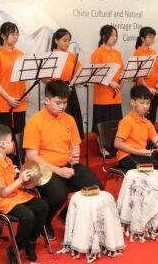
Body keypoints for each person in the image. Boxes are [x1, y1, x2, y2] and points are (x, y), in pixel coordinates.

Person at [23, 80, 103, 239]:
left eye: (65, 103)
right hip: (43, 168)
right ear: (46, 100)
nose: (62, 107)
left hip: (67, 164)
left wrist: (74, 154)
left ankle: (66, 214)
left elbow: (75, 145)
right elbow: (32, 156)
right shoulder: (35, 122)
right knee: (58, 196)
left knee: (96, 187)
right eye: (58, 103)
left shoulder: (69, 119)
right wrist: (58, 171)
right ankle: (45, 222)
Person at [0, 123, 49, 264]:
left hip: (16, 196)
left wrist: (22, 178)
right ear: (2, 144)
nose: (13, 143)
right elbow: (3, 193)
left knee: (42, 206)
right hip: (2, 202)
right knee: (28, 216)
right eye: (10, 140)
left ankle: (30, 242)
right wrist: (20, 180)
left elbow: (13, 184)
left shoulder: (7, 160)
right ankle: (15, 249)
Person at [0, 22, 27, 148]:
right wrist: (8, 98)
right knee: (5, 138)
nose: (15, 37)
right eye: (12, 34)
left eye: (17, 34)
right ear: (3, 36)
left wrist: (26, 91)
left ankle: (20, 159)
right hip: (4, 102)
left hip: (20, 101)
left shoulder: (20, 54)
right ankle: (8, 160)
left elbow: (25, 75)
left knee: (20, 135)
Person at [46, 28, 83, 138]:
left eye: (69, 41)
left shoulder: (71, 56)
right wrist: (59, 87)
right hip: (55, 91)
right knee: (58, 119)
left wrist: (74, 83)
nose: (67, 43)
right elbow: (44, 79)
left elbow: (80, 73)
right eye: (64, 40)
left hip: (70, 89)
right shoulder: (51, 56)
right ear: (56, 40)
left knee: (72, 117)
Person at [90, 24, 124, 139]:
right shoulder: (97, 53)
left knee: (116, 126)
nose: (115, 38)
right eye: (112, 35)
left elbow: (121, 70)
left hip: (116, 95)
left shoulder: (117, 53)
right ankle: (103, 147)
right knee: (102, 126)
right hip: (103, 96)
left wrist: (122, 78)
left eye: (116, 35)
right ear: (104, 37)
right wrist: (110, 82)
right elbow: (96, 74)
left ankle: (114, 146)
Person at [132, 27, 158, 124]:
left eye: (153, 37)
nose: (152, 39)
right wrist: (147, 88)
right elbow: (139, 75)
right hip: (143, 90)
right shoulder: (138, 53)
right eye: (150, 37)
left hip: (154, 89)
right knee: (142, 117)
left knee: (152, 116)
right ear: (142, 38)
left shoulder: (153, 52)